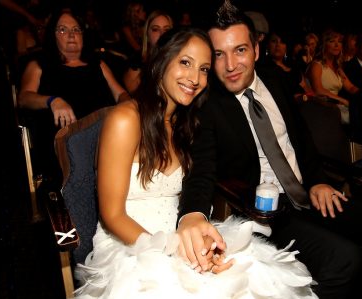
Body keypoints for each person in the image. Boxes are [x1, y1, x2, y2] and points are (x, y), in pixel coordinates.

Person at [177, 1, 362, 299]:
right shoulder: (207, 106)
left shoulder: (275, 82)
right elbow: (202, 170)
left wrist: (318, 181)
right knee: (344, 257)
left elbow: (301, 140)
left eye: (240, 50)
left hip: (310, 196)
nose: (231, 65)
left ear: (256, 50)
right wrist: (192, 214)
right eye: (219, 54)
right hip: (267, 213)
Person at [73, 26, 318, 299]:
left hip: (180, 232)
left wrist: (199, 247)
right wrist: (172, 249)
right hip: (131, 243)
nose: (195, 78)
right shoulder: (125, 119)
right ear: (162, 60)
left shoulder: (186, 123)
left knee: (254, 277)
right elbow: (112, 215)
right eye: (185, 63)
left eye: (203, 69)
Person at [17, 9, 129, 185]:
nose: (71, 35)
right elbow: (24, 98)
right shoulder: (40, 65)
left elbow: (121, 93)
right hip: (64, 139)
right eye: (62, 29)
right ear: (52, 35)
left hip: (104, 136)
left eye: (76, 29)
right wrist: (52, 100)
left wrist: (129, 107)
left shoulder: (98, 64)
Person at [123, 9, 174, 95]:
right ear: (147, 34)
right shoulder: (137, 63)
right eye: (155, 29)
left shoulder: (179, 60)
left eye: (166, 30)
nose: (162, 34)